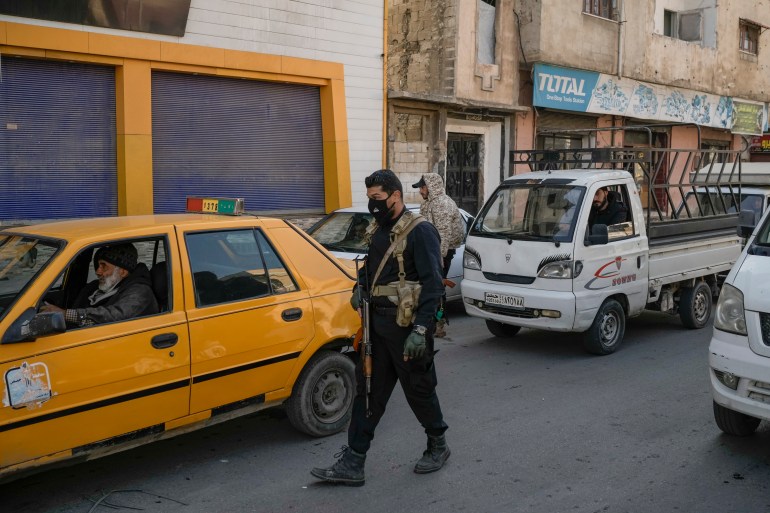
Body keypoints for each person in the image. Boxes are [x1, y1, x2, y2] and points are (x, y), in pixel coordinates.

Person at [311, 169, 449, 486]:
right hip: (376, 326)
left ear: (395, 195)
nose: (372, 204)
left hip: (407, 328)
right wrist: (358, 288)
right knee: (368, 393)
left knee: (419, 390)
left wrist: (421, 330)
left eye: (377, 198)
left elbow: (433, 286)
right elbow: (369, 272)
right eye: (369, 198)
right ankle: (353, 461)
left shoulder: (420, 231)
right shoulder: (378, 230)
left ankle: (438, 443)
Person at [40, 243, 159, 327]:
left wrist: (66, 314)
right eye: (98, 265)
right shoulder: (94, 287)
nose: (97, 271)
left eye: (104, 266)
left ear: (122, 272)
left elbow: (114, 316)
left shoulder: (140, 292)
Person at [412, 173, 464, 338]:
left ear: (431, 187)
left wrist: (438, 258)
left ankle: (438, 324)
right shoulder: (428, 203)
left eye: (422, 187)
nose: (420, 191)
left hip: (442, 252)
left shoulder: (441, 203)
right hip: (432, 251)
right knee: (431, 286)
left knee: (436, 287)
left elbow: (443, 233)